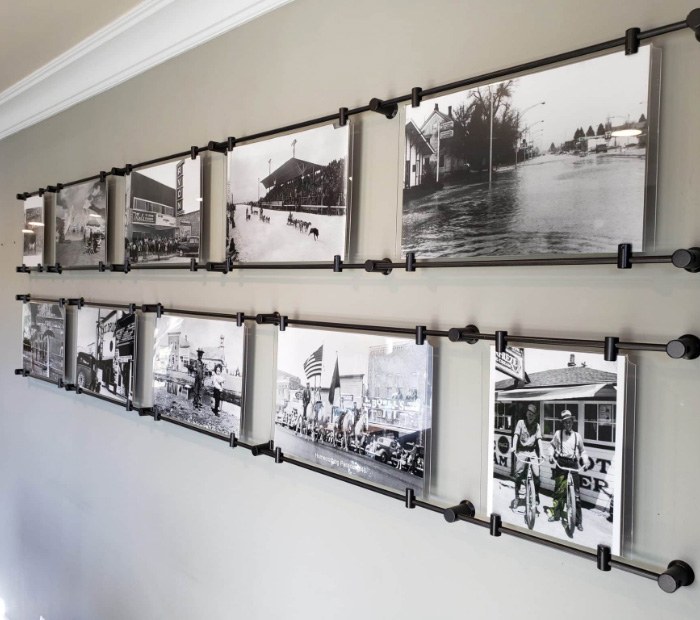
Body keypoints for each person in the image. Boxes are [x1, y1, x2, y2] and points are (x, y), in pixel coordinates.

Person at [549, 409, 588, 530]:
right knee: (559, 491)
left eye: (570, 422)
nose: (568, 424)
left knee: (576, 494)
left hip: (573, 464)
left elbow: (583, 451)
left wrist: (585, 460)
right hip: (561, 463)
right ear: (563, 423)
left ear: (573, 422)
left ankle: (578, 521)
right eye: (565, 422)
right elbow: (551, 445)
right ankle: (556, 514)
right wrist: (551, 454)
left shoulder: (577, 436)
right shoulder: (558, 434)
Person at [510, 403, 543, 510]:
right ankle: (517, 497)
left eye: (533, 414)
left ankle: (536, 495)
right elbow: (516, 436)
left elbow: (539, 440)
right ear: (526, 414)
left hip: (532, 452)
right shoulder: (520, 423)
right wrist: (514, 447)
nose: (531, 416)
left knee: (537, 475)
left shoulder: (537, 426)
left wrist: (541, 453)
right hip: (522, 451)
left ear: (535, 416)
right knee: (518, 475)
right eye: (529, 414)